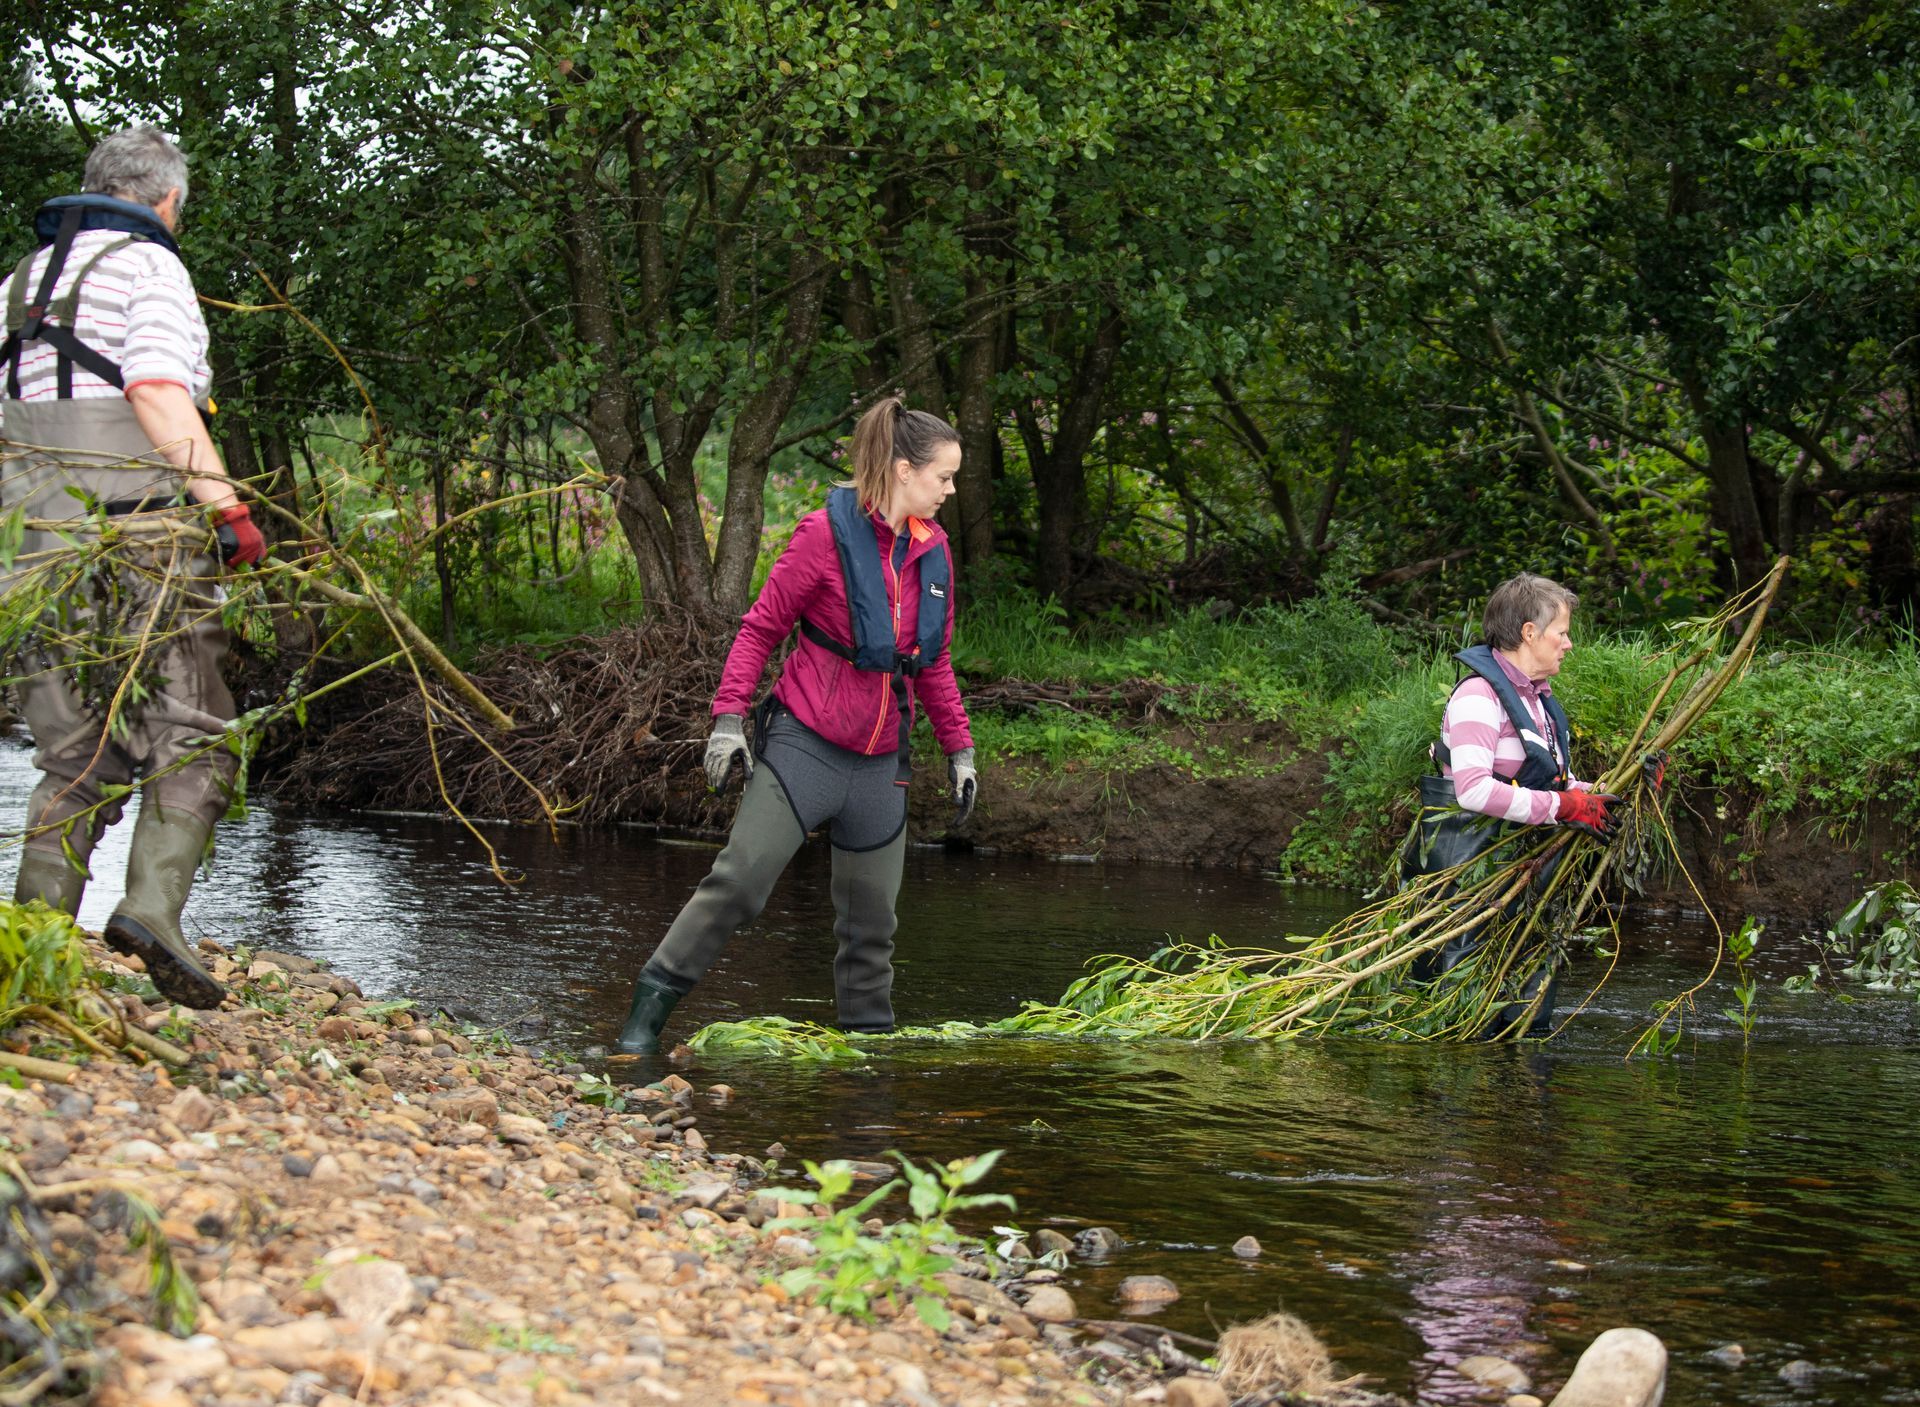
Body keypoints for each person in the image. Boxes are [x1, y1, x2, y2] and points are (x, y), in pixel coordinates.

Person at [613, 396, 978, 1053]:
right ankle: (641, 1026)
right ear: (902, 470)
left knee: (872, 928)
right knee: (739, 884)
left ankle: (865, 1075)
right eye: (944, 476)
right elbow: (760, 630)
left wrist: (960, 750)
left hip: (880, 765)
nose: (951, 490)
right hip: (804, 746)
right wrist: (728, 721)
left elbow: (936, 662)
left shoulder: (936, 554)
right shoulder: (822, 534)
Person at [1, 126, 265, 1008]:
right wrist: (225, 506)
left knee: (74, 754)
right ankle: (152, 909)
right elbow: (156, 388)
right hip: (140, 539)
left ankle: (31, 955)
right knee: (196, 732)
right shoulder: (151, 270)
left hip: (37, 555)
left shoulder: (13, 289)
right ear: (165, 203)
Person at [1399, 573, 1635, 1037]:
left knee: (1527, 1020)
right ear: (1530, 632)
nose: (1568, 644)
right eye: (1562, 632)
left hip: (1522, 882)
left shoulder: (1538, 702)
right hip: (1469, 883)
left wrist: (1611, 791)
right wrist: (1564, 808)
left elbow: (1550, 782)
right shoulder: (1478, 696)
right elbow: (1473, 790)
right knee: (1461, 1021)